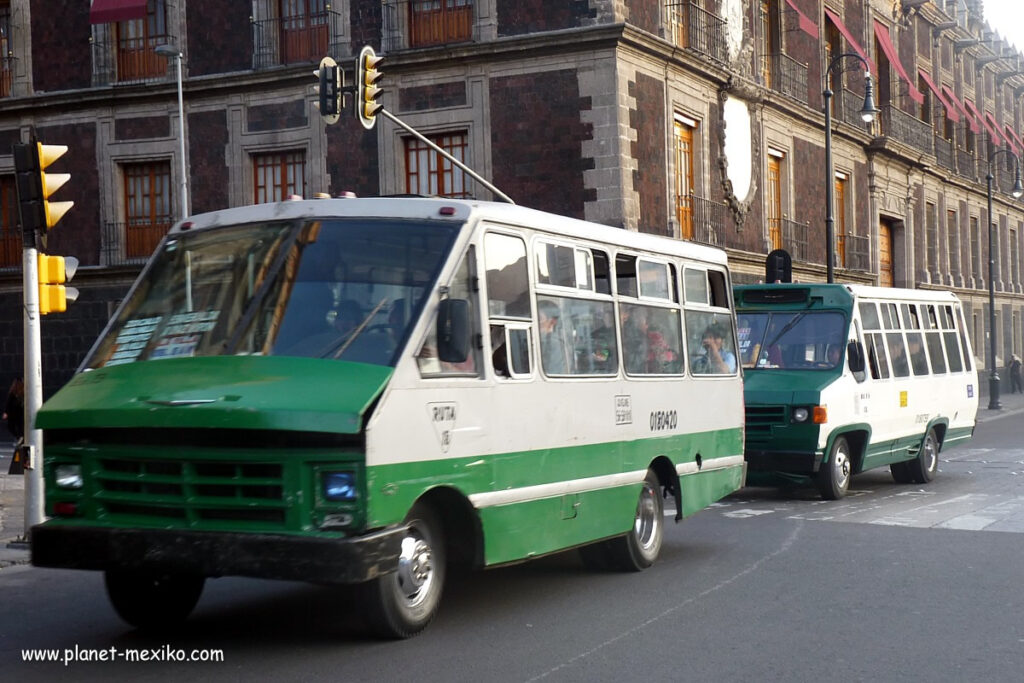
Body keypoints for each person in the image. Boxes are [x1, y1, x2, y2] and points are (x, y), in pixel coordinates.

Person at [538, 299, 569, 374]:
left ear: (552, 321)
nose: (536, 323)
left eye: (539, 318)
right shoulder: (541, 340)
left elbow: (552, 372)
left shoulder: (554, 344)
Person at [4, 377, 24, 442]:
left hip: (17, 413)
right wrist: (6, 412)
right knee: (14, 426)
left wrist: (6, 412)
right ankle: (19, 437)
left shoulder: (18, 393)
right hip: (15, 413)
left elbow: (8, 403)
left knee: (15, 426)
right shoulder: (13, 393)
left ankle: (20, 437)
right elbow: (8, 403)